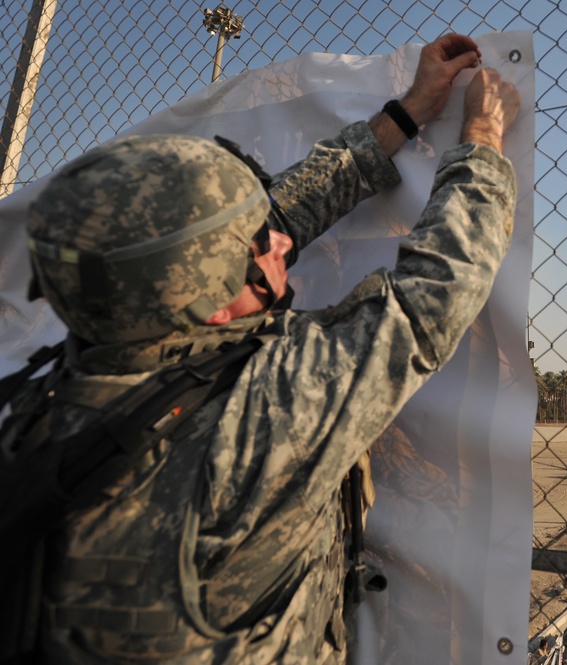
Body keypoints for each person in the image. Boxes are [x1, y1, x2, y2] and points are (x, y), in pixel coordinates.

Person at [3, 32, 519, 664]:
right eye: (256, 244)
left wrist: (407, 113)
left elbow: (255, 223)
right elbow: (434, 292)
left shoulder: (45, 392)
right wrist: (485, 141)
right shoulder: (260, 409)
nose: (280, 244)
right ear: (209, 299)